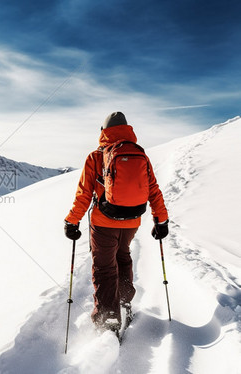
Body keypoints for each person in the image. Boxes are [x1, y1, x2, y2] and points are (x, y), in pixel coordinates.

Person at [64, 111, 169, 331]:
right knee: (123, 257)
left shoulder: (96, 156)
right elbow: (153, 190)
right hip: (132, 221)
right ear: (127, 129)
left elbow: (83, 194)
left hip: (103, 222)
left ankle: (108, 315)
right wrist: (161, 220)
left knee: (104, 267)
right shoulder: (141, 155)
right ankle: (124, 302)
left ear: (104, 131)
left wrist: (72, 221)